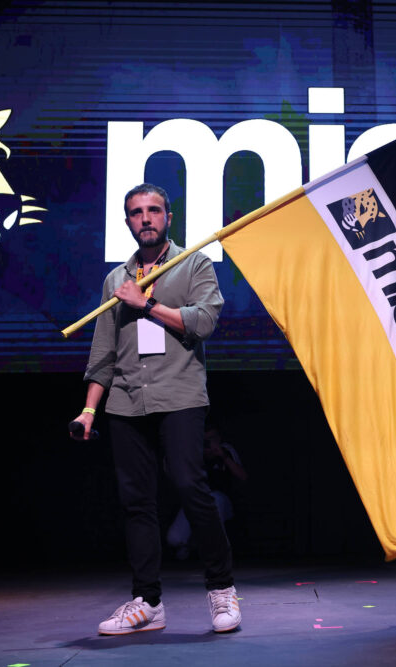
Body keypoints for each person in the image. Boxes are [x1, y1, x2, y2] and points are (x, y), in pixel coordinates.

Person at [70, 183, 240, 635]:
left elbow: (204, 322)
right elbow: (103, 354)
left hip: (180, 395)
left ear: (168, 217)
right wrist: (88, 411)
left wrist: (145, 303)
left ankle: (221, 587)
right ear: (127, 221)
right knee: (136, 502)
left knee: (189, 485)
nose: (145, 218)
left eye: (153, 210)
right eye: (136, 212)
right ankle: (147, 601)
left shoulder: (194, 264)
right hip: (126, 401)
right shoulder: (115, 281)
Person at [167, 424, 247, 559]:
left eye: (212, 439)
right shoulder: (194, 452)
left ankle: (216, 551)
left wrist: (223, 457)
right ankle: (192, 546)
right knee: (174, 539)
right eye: (206, 440)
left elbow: (243, 477)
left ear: (219, 438)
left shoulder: (226, 450)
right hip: (196, 499)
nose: (209, 443)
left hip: (222, 501)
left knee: (215, 498)